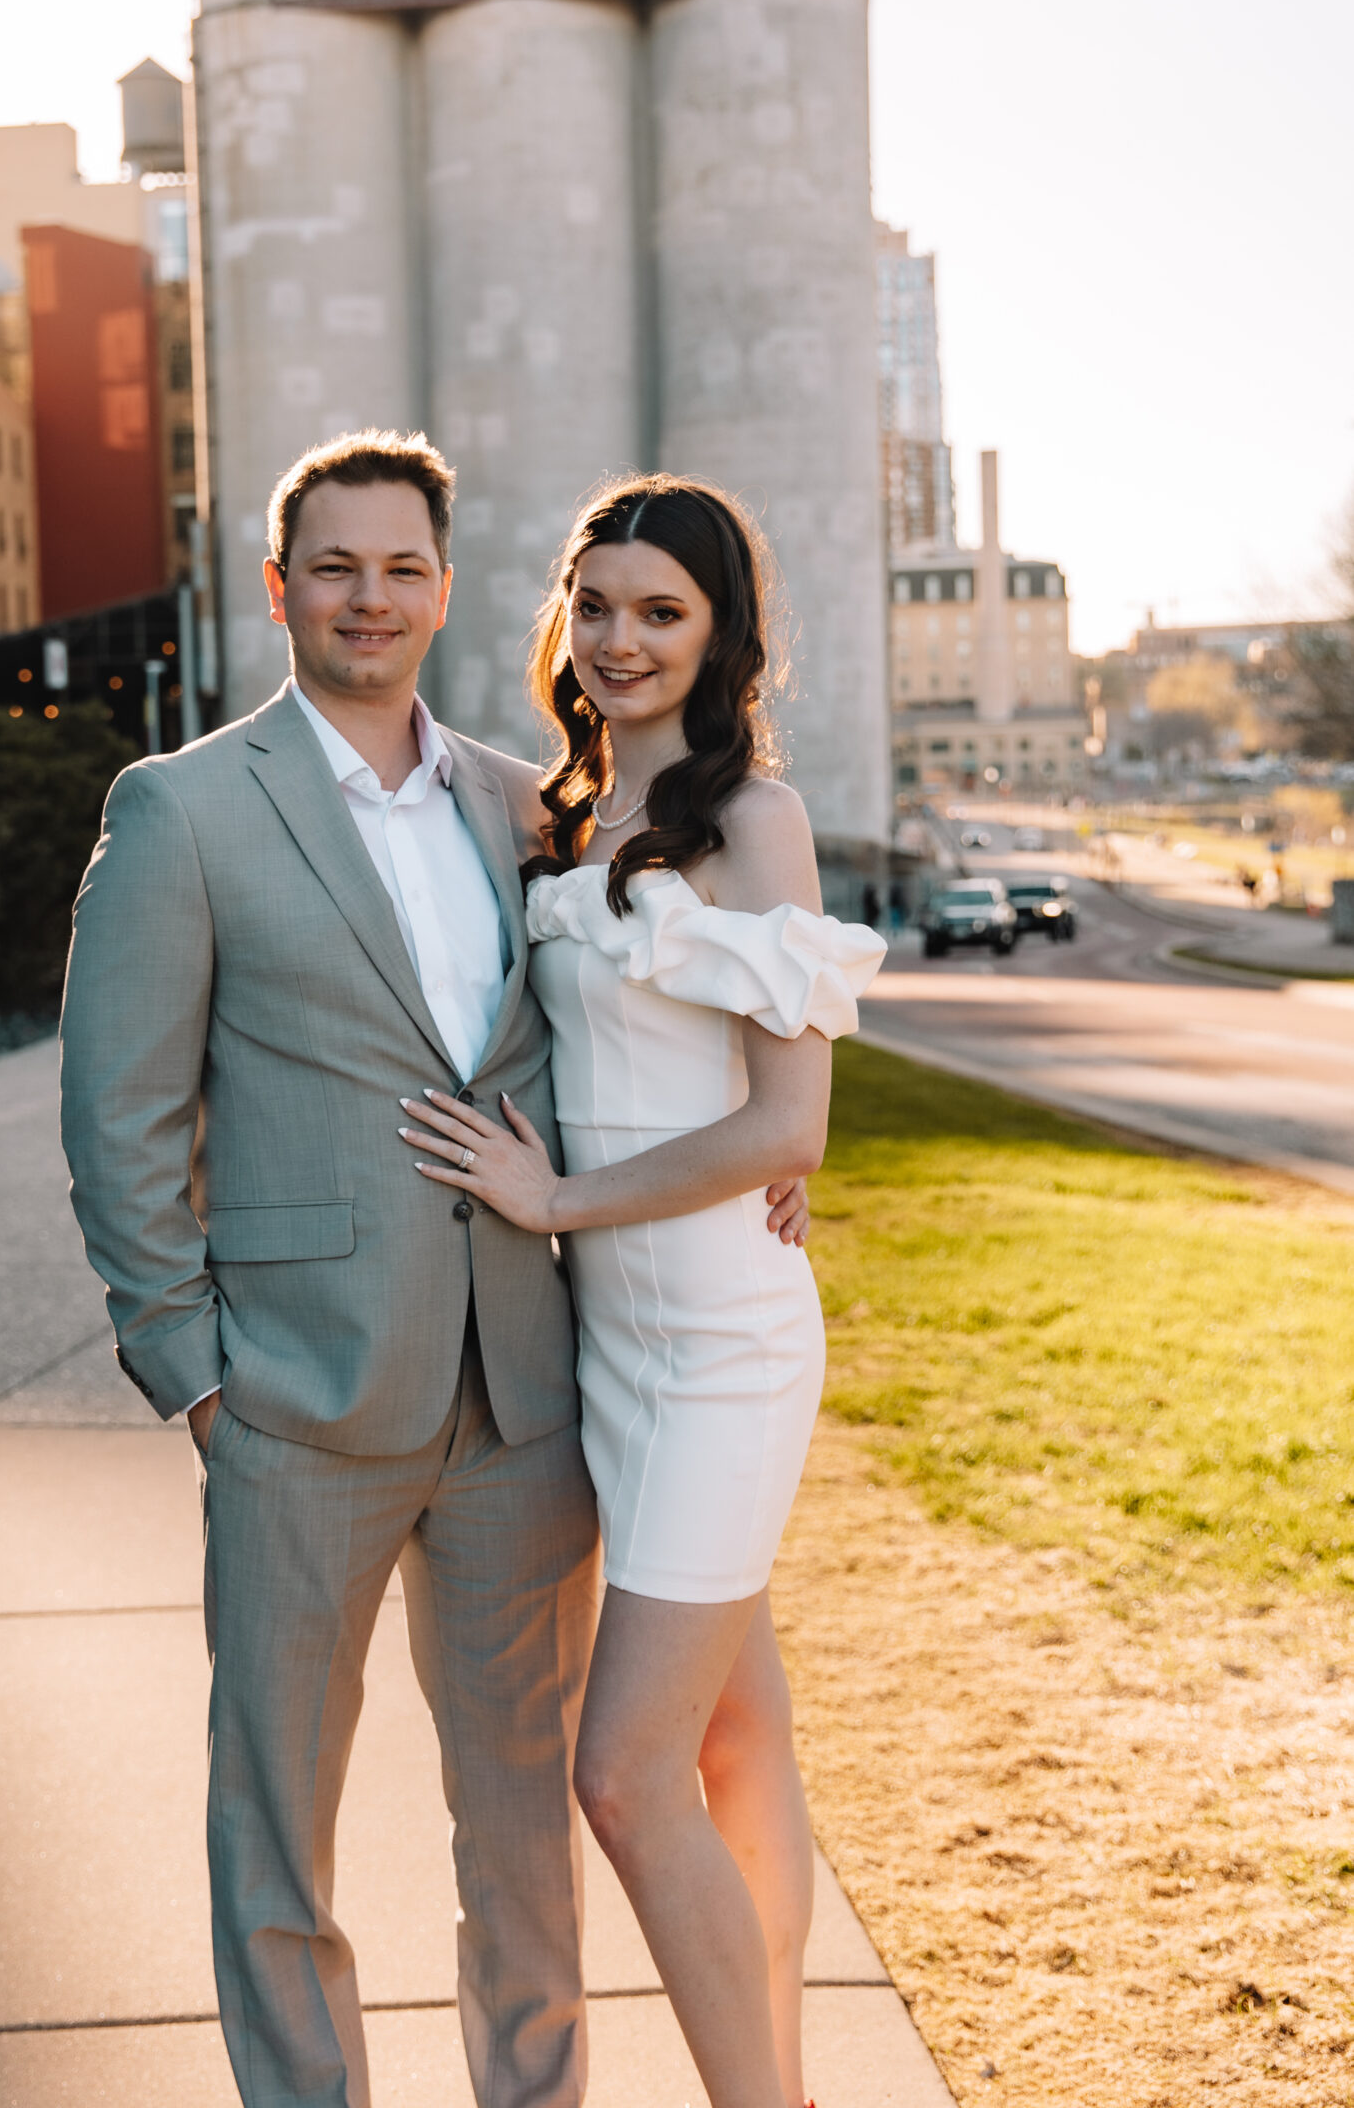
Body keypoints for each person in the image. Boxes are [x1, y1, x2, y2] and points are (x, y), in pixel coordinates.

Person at [59, 431, 812, 2108]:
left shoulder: (519, 803)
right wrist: (195, 1377)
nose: (371, 598)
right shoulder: (180, 809)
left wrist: (762, 1161)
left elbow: (604, 1042)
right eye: (336, 567)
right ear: (282, 588)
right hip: (296, 1400)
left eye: (403, 568)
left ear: (449, 590)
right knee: (278, 1832)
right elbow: (119, 1121)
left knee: (525, 1829)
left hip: (525, 1403)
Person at [399, 474, 885, 2108]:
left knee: (624, 1772)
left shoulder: (757, 820)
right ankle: (788, 2068)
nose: (622, 640)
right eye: (596, 605)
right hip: (608, 1347)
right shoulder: (555, 819)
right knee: (738, 1743)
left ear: (720, 632)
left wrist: (556, 1195)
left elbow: (784, 1121)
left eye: (661, 611)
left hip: (729, 1348)